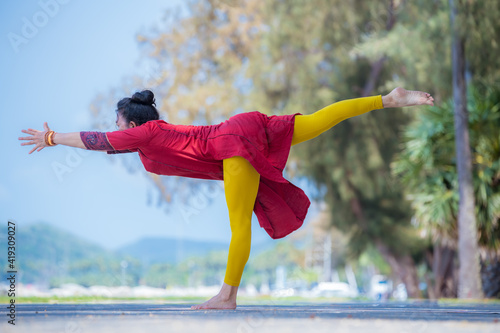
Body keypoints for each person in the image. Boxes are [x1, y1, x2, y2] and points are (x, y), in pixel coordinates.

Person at [19, 87, 434, 309]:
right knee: (316, 120)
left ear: (131, 122)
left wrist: (53, 138)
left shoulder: (144, 132)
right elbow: (111, 144)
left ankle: (227, 296)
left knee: (239, 226)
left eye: (119, 122)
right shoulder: (149, 140)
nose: (117, 127)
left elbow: (100, 140)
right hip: (244, 127)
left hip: (231, 145)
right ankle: (389, 99)